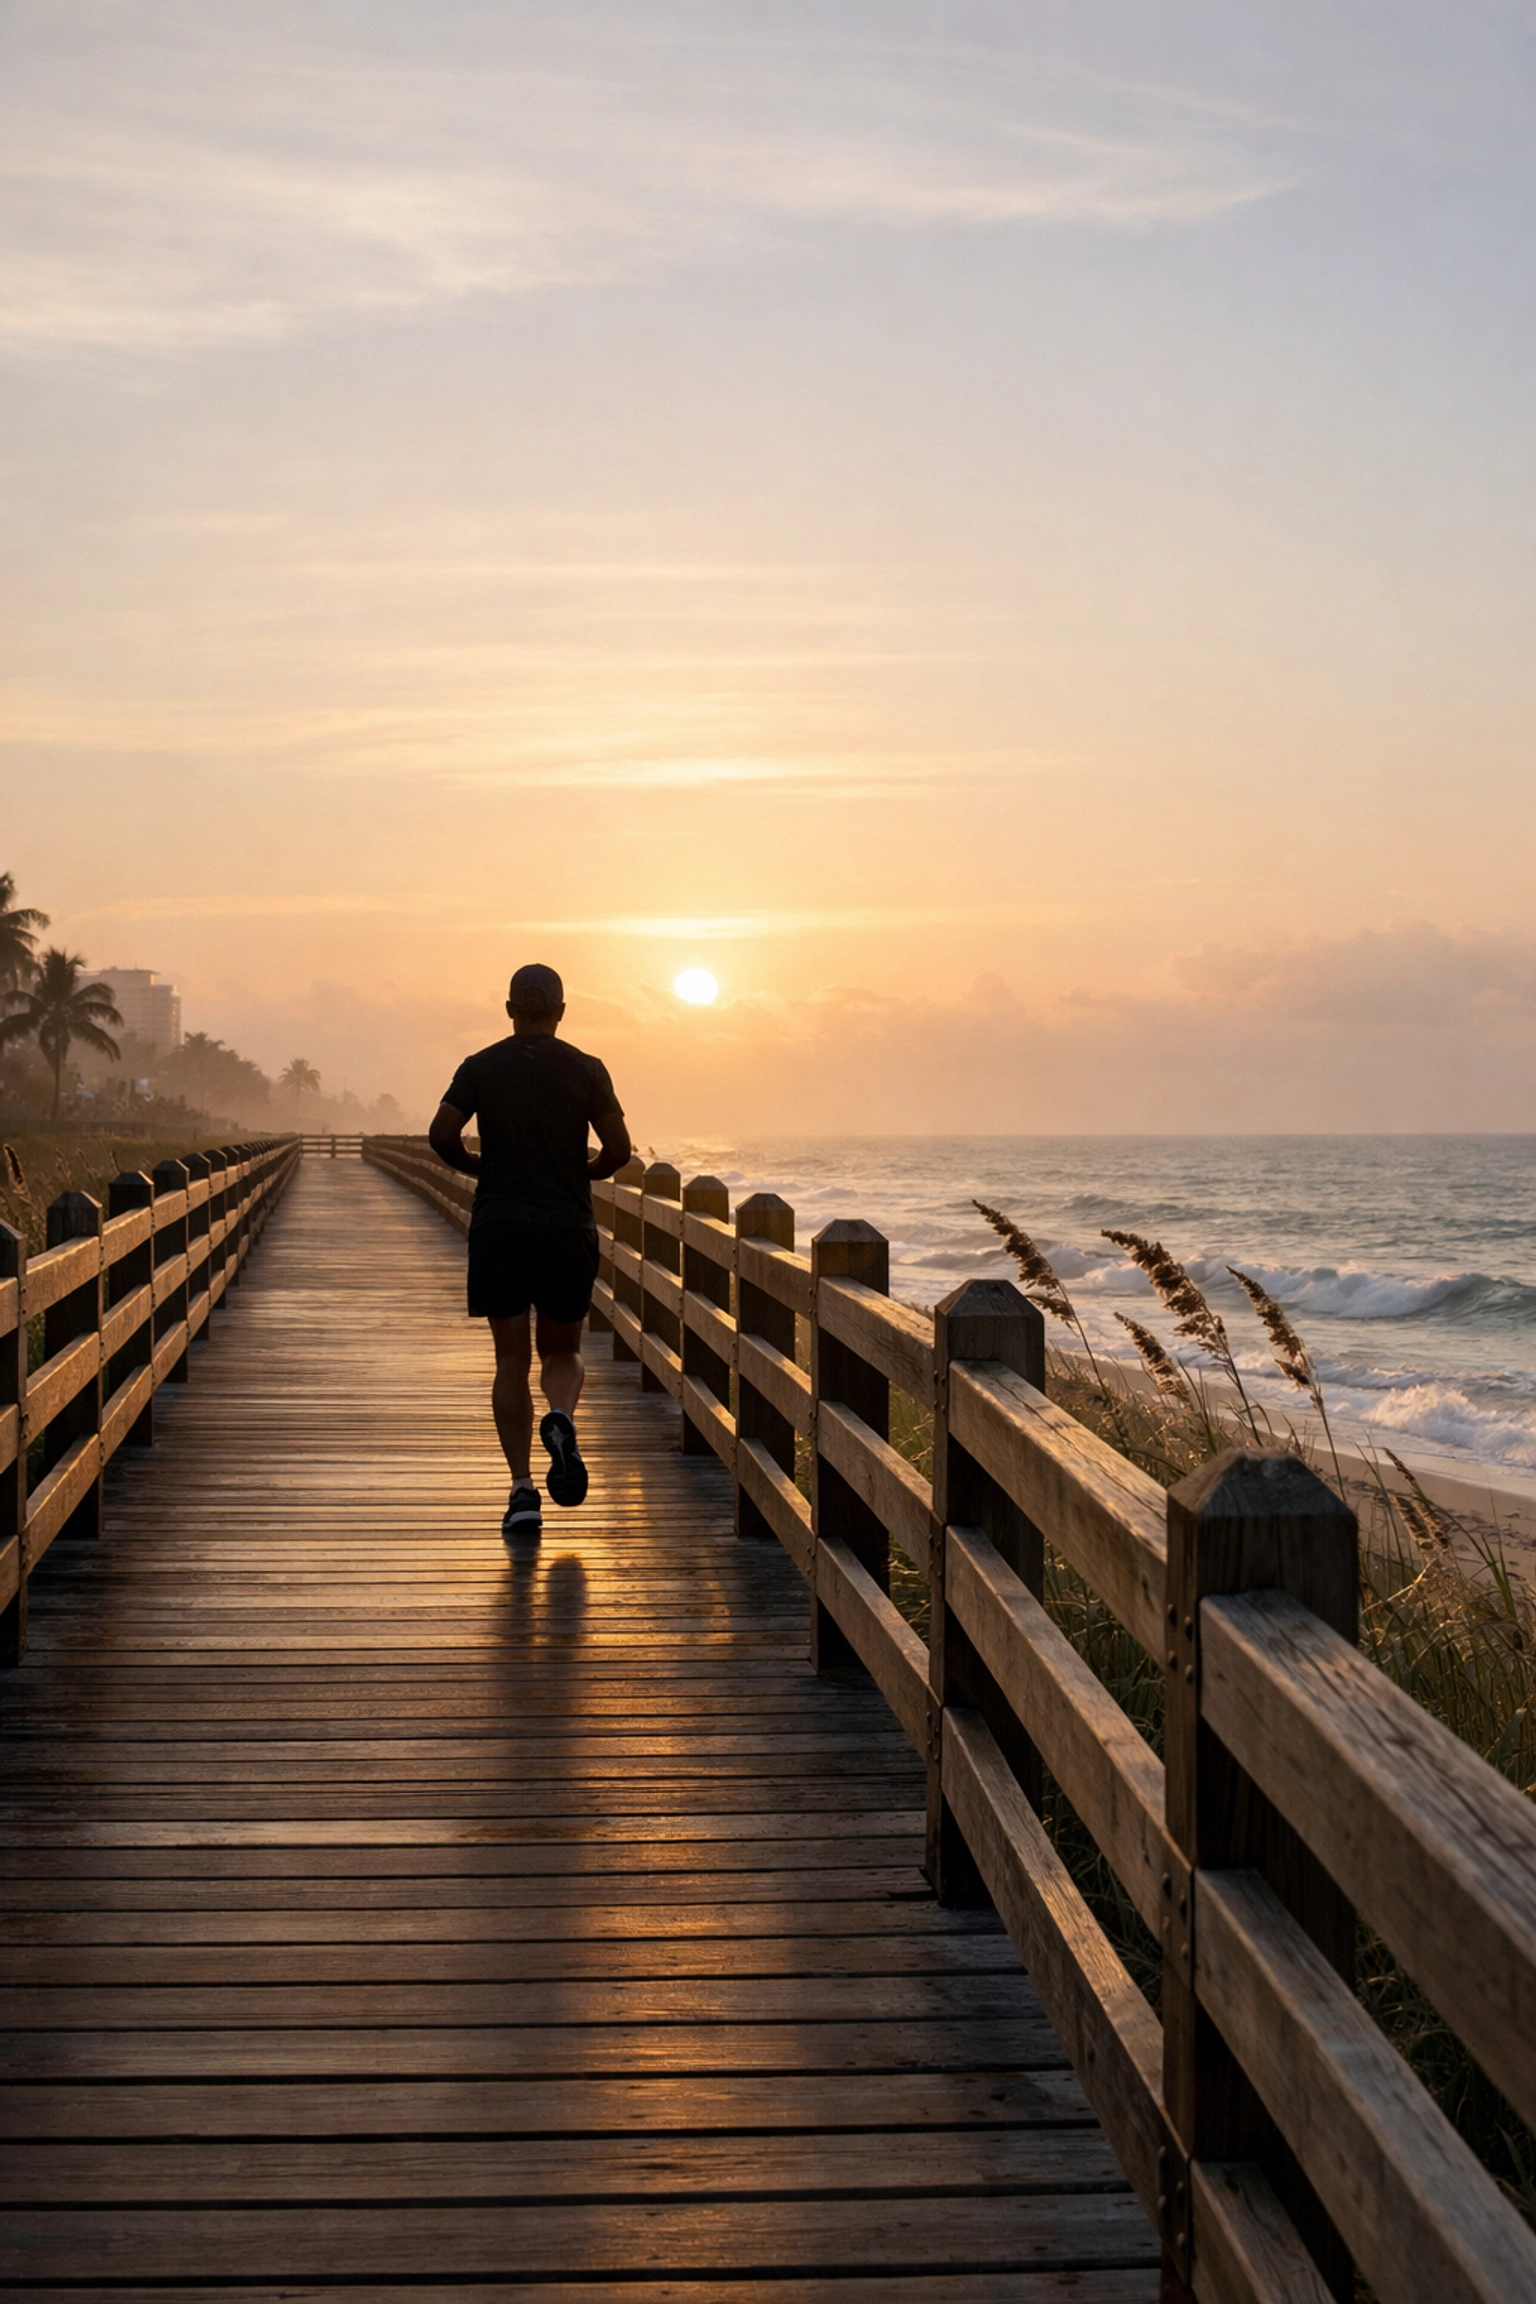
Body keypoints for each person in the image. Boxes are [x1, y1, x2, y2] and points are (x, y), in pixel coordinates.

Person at [429, 964, 631, 1539]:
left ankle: (522, 1492)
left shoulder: (480, 1067)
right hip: (567, 1226)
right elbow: (620, 1147)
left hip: (501, 1226)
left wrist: (478, 1166)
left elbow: (441, 1134)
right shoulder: (587, 1070)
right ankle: (561, 1418)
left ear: (511, 1009)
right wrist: (584, 1172)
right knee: (562, 1349)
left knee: (510, 1359)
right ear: (561, 1012)